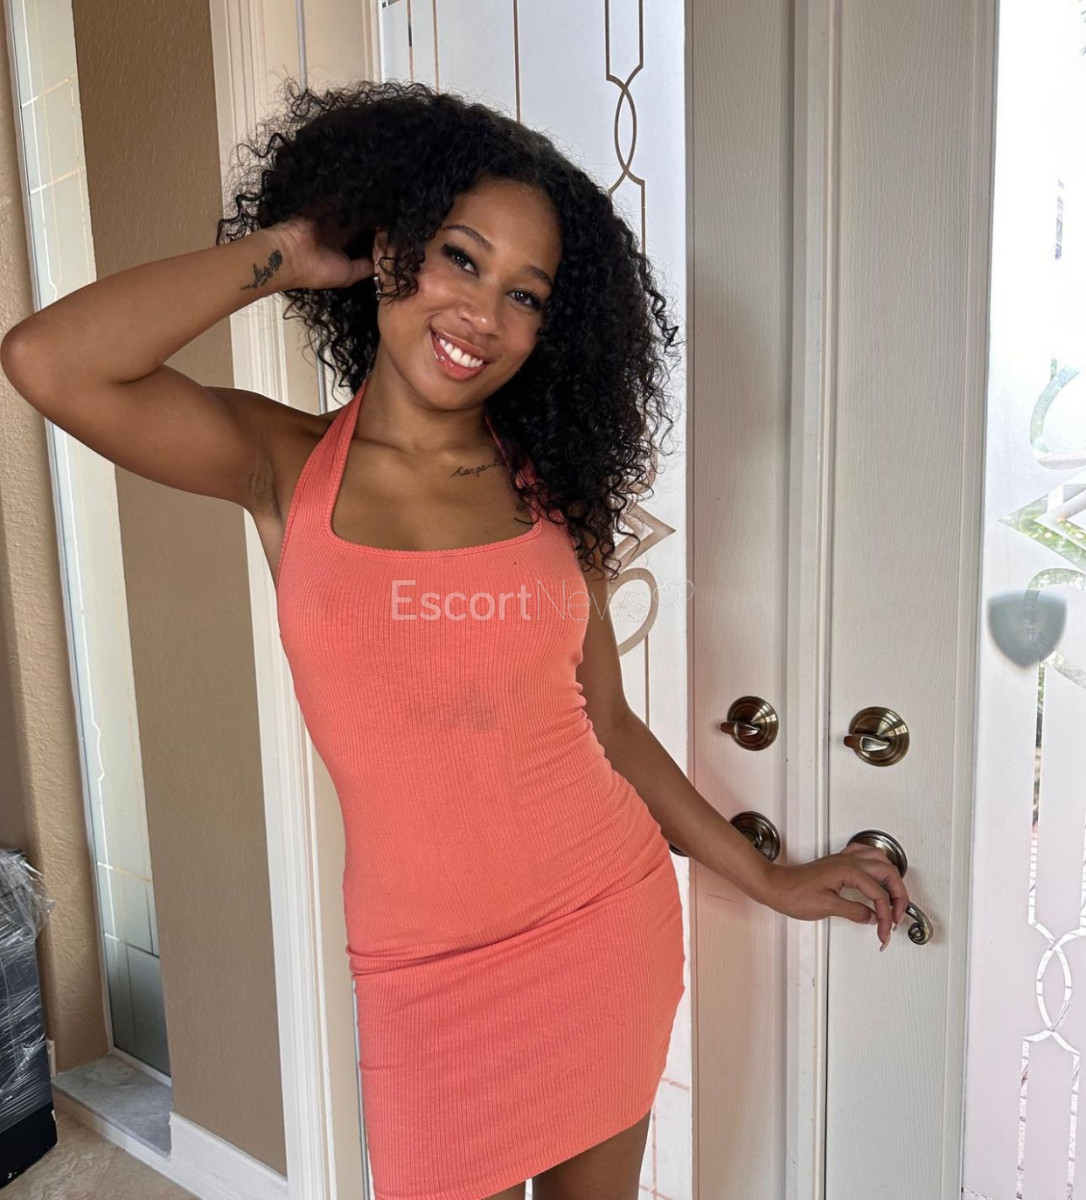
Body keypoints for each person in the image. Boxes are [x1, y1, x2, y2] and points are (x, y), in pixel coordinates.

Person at [0, 78, 908, 1200]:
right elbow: (48, 361)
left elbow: (610, 728)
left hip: (601, 925)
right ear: (389, 250)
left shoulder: (553, 494)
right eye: (459, 259)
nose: (483, 313)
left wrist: (765, 878)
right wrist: (290, 252)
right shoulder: (282, 467)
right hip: (421, 976)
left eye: (525, 294)